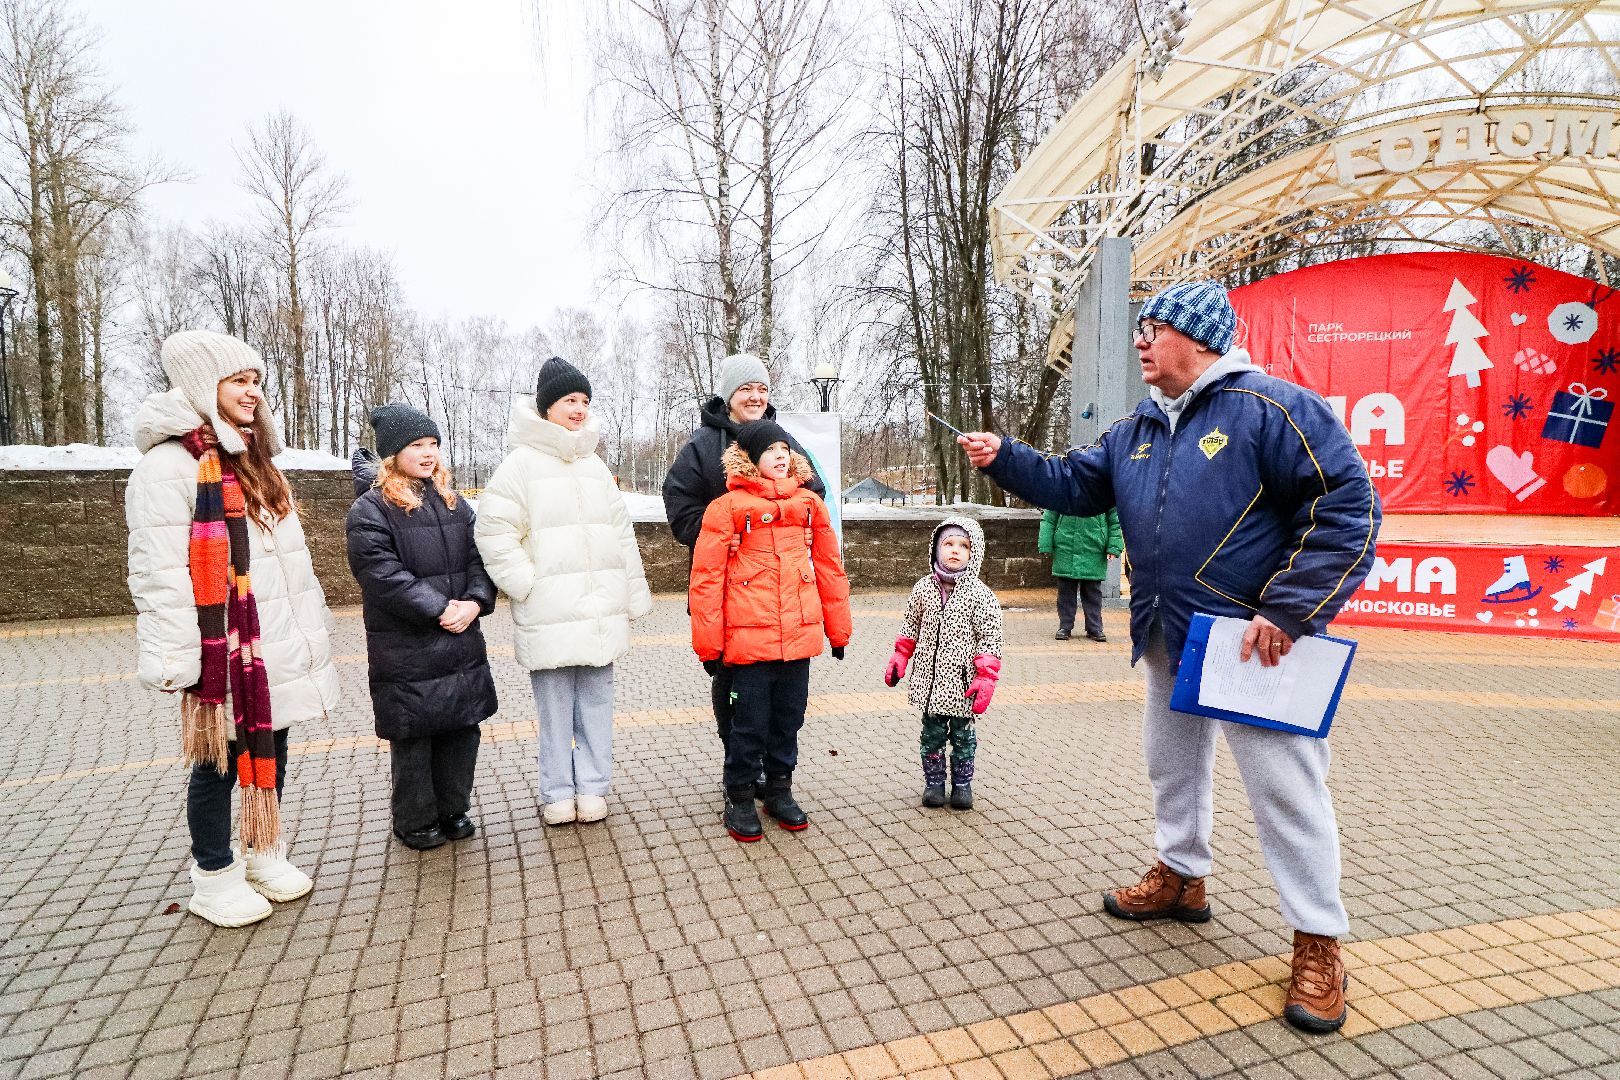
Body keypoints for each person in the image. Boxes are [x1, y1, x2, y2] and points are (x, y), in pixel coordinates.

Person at [958, 280, 1381, 1035]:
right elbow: (1076, 484)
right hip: (1166, 631)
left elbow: (1347, 506)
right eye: (1140, 330)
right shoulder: (1138, 427)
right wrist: (1008, 458)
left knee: (1286, 788)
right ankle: (1182, 878)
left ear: (1199, 337)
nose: (1141, 342)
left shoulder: (1273, 408)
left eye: (1152, 328)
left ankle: (1319, 937)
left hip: (1253, 643)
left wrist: (1286, 609)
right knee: (1171, 763)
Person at [125, 330, 340, 928]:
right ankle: (214, 873)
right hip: (224, 648)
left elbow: (291, 562)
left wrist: (309, 628)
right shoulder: (169, 466)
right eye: (239, 381)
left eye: (256, 381)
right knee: (218, 761)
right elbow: (159, 568)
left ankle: (261, 848)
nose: (253, 393)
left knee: (273, 744)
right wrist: (175, 657)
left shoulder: (255, 459)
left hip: (272, 639)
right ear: (202, 385)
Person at [476, 357, 652, 826]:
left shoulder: (595, 465)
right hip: (550, 611)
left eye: (585, 401)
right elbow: (493, 530)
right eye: (569, 400)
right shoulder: (519, 465)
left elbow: (621, 533)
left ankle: (593, 787)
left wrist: (632, 593)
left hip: (599, 612)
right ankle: (557, 790)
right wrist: (525, 585)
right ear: (547, 406)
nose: (579, 409)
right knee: (554, 714)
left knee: (596, 708)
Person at [662, 354, 825, 781]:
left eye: (762, 389)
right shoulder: (702, 446)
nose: (755, 397)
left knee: (782, 690)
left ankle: (773, 774)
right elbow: (680, 508)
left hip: (779, 595)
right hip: (725, 590)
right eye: (745, 389)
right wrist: (717, 533)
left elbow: (814, 491)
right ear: (728, 395)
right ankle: (741, 768)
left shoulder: (781, 439)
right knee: (733, 687)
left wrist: (803, 525)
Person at [688, 420, 851, 842]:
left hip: (798, 637)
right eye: (769, 450)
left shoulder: (810, 505)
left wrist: (839, 632)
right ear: (750, 459)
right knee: (749, 723)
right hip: (748, 640)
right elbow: (707, 579)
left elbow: (831, 568)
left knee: (788, 719)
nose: (780, 455)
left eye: (784, 448)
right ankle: (739, 794)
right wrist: (709, 646)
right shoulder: (726, 508)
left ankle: (779, 789)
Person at [346, 404, 498, 851]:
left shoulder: (453, 502)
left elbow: (480, 558)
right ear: (393, 454)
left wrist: (474, 602)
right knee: (416, 735)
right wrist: (440, 609)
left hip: (461, 635)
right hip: (409, 643)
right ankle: (414, 820)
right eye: (417, 445)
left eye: (433, 444)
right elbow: (381, 573)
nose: (428, 453)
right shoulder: (370, 509)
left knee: (461, 729)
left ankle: (454, 809)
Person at [883, 518, 1004, 810]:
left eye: (963, 546)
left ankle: (962, 785)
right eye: (948, 544)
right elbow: (910, 625)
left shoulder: (980, 595)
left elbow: (990, 637)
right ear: (936, 548)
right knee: (932, 735)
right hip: (930, 682)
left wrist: (986, 676)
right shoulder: (923, 588)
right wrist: (901, 655)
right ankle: (934, 783)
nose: (955, 551)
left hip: (964, 685)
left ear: (974, 552)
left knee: (964, 737)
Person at [1039, 509, 1122, 641]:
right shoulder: (1062, 489)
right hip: (1066, 548)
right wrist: (1045, 544)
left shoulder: (1104, 491)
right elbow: (1049, 517)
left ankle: (1094, 627)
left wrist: (1114, 546)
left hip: (1094, 547)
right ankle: (1065, 626)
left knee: (1092, 593)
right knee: (1066, 592)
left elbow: (1115, 521)